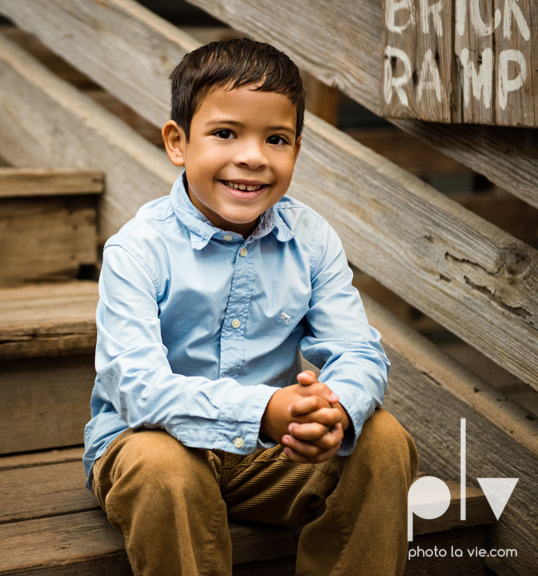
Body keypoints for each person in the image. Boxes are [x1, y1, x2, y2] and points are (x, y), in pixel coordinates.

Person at [83, 38, 420, 576]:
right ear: (177, 142)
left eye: (277, 139)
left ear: (296, 150)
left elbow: (358, 350)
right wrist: (264, 411)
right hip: (154, 445)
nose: (253, 157)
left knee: (383, 439)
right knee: (163, 467)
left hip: (269, 455)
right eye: (224, 133)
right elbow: (136, 386)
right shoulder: (138, 248)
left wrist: (332, 411)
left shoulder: (310, 239)